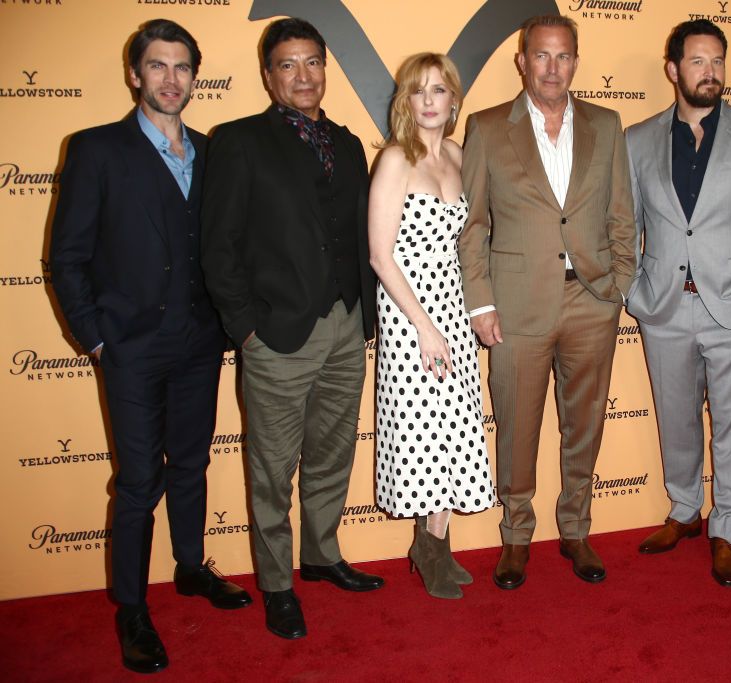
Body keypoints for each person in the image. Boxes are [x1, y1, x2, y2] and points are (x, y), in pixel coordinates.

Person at [49, 19, 252, 674]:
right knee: (139, 480)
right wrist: (98, 337)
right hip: (132, 346)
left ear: (196, 75)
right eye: (158, 66)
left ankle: (191, 567)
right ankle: (131, 606)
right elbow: (67, 256)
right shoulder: (96, 149)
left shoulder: (211, 151)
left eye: (182, 67)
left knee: (190, 463)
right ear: (135, 74)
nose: (171, 79)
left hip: (199, 341)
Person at [201, 18, 383, 640]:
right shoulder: (238, 141)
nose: (303, 76)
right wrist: (245, 328)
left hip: (347, 324)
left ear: (325, 69)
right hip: (277, 335)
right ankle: (277, 584)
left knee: (333, 454)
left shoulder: (350, 143)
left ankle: (321, 554)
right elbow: (217, 246)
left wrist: (366, 312)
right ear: (268, 74)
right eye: (288, 65)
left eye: (313, 63)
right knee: (272, 469)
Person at [460, 14, 635, 590]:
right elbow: (472, 225)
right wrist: (481, 303)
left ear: (576, 62)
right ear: (522, 60)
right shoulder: (486, 128)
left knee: (583, 424)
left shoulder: (607, 124)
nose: (552, 68)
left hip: (592, 302)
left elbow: (620, 213)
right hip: (516, 309)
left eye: (563, 57)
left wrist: (618, 288)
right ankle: (515, 538)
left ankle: (576, 529)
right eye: (541, 56)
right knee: (517, 428)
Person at [625, 19, 731, 587]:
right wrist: (632, 290)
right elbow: (625, 226)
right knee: (675, 419)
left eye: (718, 61)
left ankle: (725, 528)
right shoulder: (638, 139)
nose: (711, 72)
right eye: (698, 61)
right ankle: (682, 511)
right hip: (664, 308)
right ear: (673, 70)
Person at [368, 53, 495, 600]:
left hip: (454, 308)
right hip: (408, 311)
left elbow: (470, 241)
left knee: (454, 426)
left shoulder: (460, 156)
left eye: (438, 90)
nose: (428, 100)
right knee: (421, 431)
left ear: (453, 99)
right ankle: (430, 549)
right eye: (417, 91)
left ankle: (435, 544)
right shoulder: (396, 159)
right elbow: (379, 254)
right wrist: (422, 325)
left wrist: (465, 313)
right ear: (406, 101)